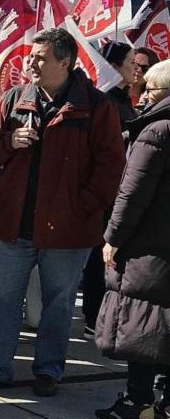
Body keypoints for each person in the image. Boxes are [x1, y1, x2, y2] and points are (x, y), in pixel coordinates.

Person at [0, 28, 126, 397]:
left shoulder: (98, 108)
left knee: (59, 304)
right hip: (13, 225)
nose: (30, 63)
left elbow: (111, 168)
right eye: (30, 56)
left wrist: (80, 207)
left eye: (40, 57)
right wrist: (8, 141)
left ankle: (49, 371)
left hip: (68, 231)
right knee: (2, 300)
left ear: (65, 62)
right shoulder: (14, 98)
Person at [94, 59, 170, 419]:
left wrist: (112, 238)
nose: (141, 97)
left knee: (141, 330)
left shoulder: (156, 131)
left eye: (148, 91)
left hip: (149, 248)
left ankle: (137, 403)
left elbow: (132, 193)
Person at [79, 42, 139, 340]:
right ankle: (94, 317)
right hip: (107, 191)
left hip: (119, 189)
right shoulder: (105, 101)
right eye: (130, 61)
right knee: (99, 256)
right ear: (113, 66)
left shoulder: (122, 100)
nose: (136, 67)